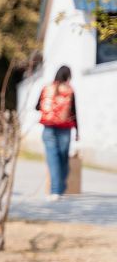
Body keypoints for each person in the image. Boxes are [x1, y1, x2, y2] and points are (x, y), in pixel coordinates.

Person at [37, 65, 79, 201]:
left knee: (52, 159)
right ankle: (59, 189)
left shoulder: (46, 88)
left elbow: (37, 106)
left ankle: (55, 191)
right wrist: (78, 131)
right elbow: (74, 112)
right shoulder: (69, 90)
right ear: (68, 76)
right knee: (62, 159)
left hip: (48, 127)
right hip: (65, 128)